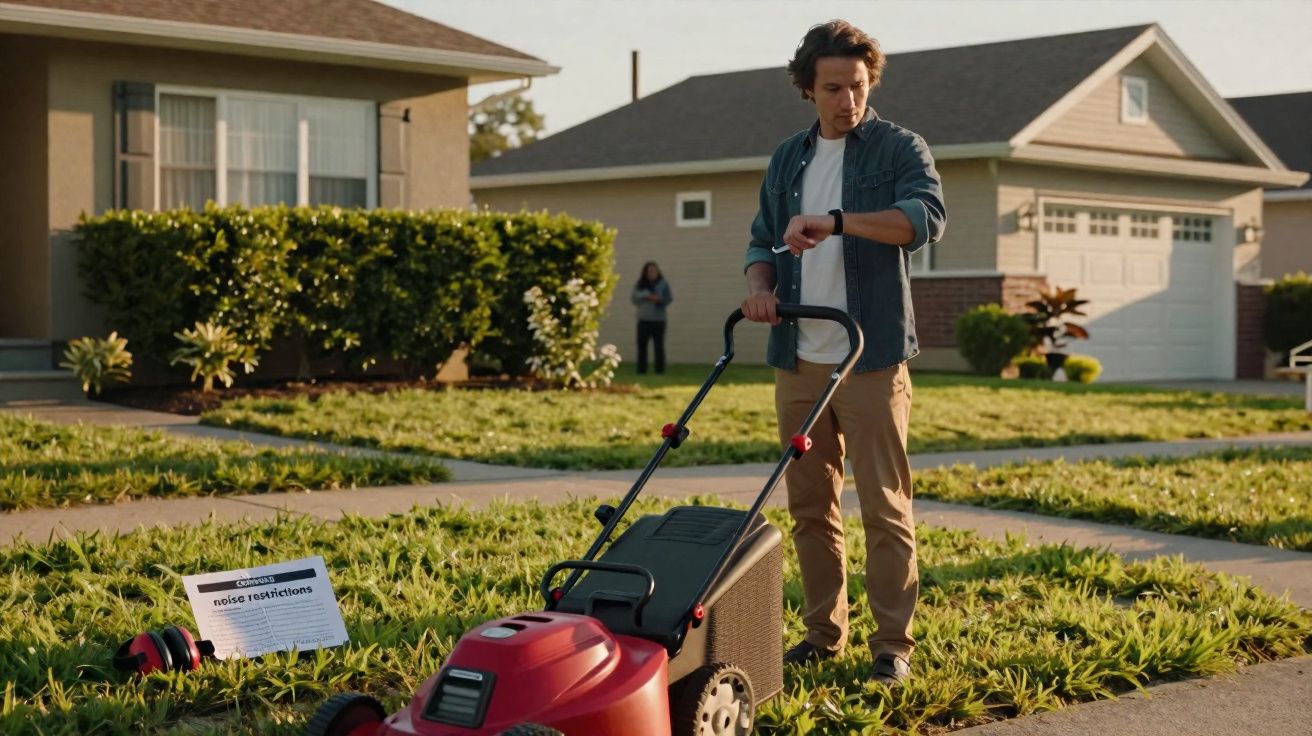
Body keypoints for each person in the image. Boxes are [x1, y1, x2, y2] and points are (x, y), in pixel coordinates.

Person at [740, 20, 946, 687]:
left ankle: (894, 647)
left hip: (872, 358)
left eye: (857, 86)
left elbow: (923, 220)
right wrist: (759, 287)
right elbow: (762, 242)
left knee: (885, 507)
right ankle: (824, 635)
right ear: (809, 89)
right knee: (809, 507)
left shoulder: (897, 149)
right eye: (833, 87)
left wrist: (835, 222)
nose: (847, 100)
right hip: (797, 356)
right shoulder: (786, 159)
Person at [631, 261, 673, 374]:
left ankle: (660, 371)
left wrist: (658, 299)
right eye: (649, 271)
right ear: (645, 272)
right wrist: (646, 295)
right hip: (643, 320)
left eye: (654, 271)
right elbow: (634, 299)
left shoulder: (663, 284)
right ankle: (641, 370)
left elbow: (668, 299)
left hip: (659, 321)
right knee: (642, 347)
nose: (652, 273)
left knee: (658, 347)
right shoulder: (640, 284)